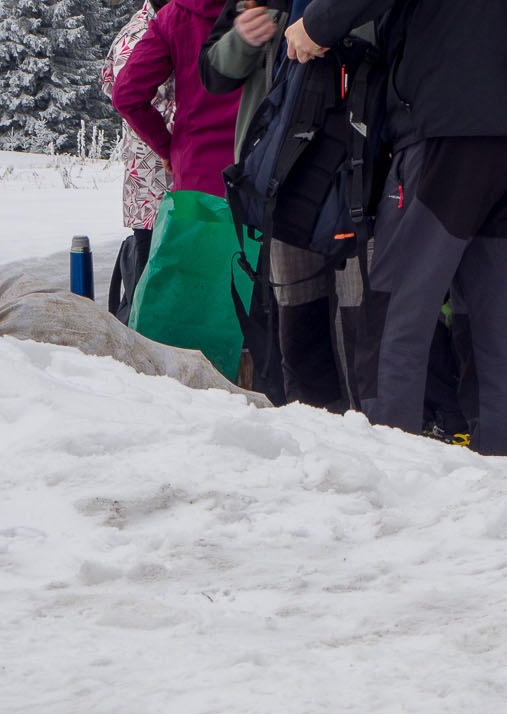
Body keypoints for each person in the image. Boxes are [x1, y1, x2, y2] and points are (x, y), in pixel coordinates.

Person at [285, 0, 507, 459]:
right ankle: (505, 485)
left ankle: (387, 473)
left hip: (445, 128)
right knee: (497, 336)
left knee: (395, 316)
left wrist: (315, 25)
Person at [200, 3, 353, 411]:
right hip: (283, 166)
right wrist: (244, 39)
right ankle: (306, 420)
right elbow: (213, 72)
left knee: (357, 308)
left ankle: (363, 422)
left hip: (357, 163)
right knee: (293, 310)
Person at [110, 0, 241, 199]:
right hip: (267, 170)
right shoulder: (276, 11)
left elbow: (126, 94)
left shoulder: (174, 16)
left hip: (196, 174)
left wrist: (165, 147)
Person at [99, 0, 175, 320]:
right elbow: (122, 91)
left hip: (158, 179)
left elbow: (106, 79)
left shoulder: (151, 23)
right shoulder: (142, 31)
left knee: (167, 278)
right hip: (153, 181)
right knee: (151, 282)